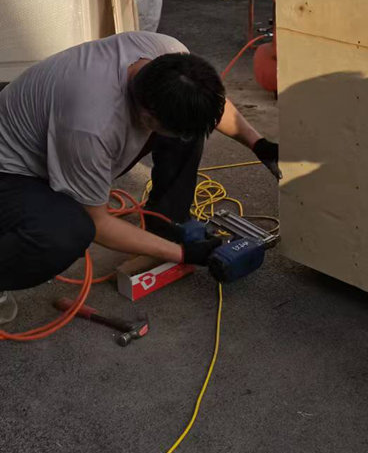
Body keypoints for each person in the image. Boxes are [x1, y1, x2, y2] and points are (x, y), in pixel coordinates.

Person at [0, 31, 280, 325]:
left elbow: (209, 104)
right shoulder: (91, 126)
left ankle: (165, 224)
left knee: (188, 128)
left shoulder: (169, 55)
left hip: (63, 139)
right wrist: (183, 254)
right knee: (69, 232)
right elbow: (98, 224)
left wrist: (258, 144)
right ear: (147, 117)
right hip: (12, 171)